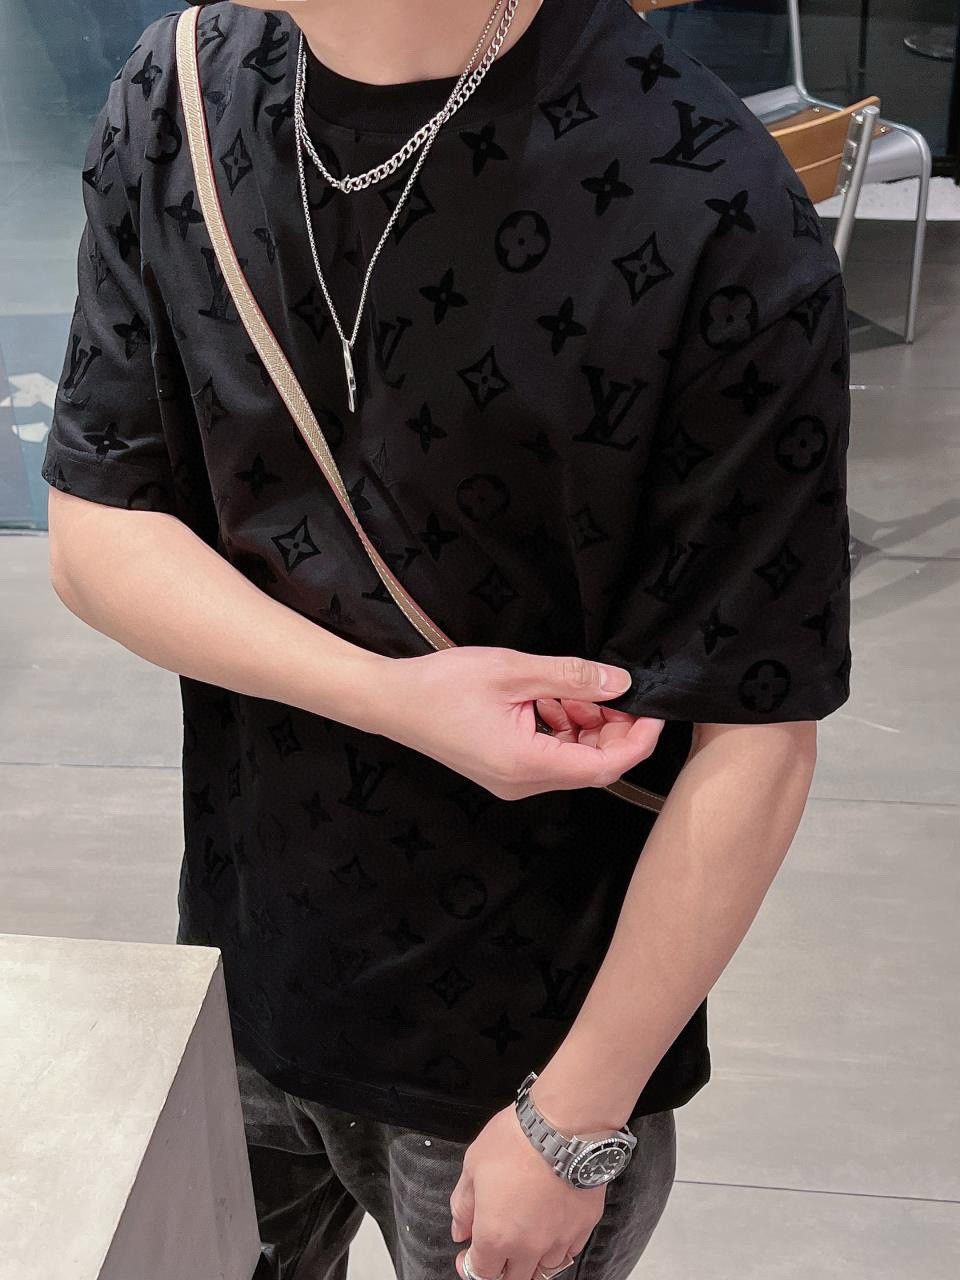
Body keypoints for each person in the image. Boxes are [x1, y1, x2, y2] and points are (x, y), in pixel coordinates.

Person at [42, 1, 853, 1277]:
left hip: (523, 1046)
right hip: (245, 962)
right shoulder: (179, 95)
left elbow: (757, 729)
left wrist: (575, 1117)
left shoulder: (703, 194)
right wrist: (392, 693)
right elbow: (97, 527)